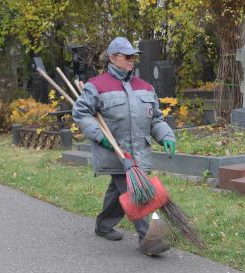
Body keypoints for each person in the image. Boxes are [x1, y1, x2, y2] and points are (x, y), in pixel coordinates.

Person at [72, 37, 176, 254]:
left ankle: (103, 225)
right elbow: (81, 113)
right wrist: (101, 138)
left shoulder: (145, 87)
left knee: (117, 192)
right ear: (112, 58)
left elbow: (155, 118)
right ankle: (149, 239)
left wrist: (166, 135)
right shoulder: (97, 86)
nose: (132, 60)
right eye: (127, 56)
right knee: (135, 191)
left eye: (134, 56)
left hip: (139, 152)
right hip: (115, 151)